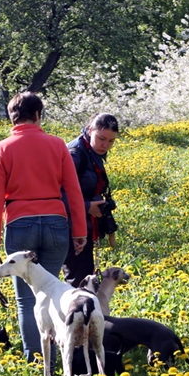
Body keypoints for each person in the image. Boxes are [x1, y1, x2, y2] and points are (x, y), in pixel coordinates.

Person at [0, 92, 87, 365]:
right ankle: (62, 358)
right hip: (56, 223)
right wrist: (80, 231)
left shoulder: (1, 149)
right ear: (39, 115)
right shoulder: (57, 145)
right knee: (53, 292)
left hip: (19, 223)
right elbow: (73, 192)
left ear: (11, 116)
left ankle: (38, 362)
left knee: (27, 301)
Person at [62, 112, 120, 287]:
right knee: (79, 280)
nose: (105, 145)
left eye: (111, 141)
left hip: (82, 223)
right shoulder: (75, 153)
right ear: (89, 130)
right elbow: (55, 192)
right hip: (69, 225)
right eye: (101, 138)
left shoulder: (91, 151)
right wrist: (86, 206)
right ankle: (77, 313)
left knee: (84, 277)